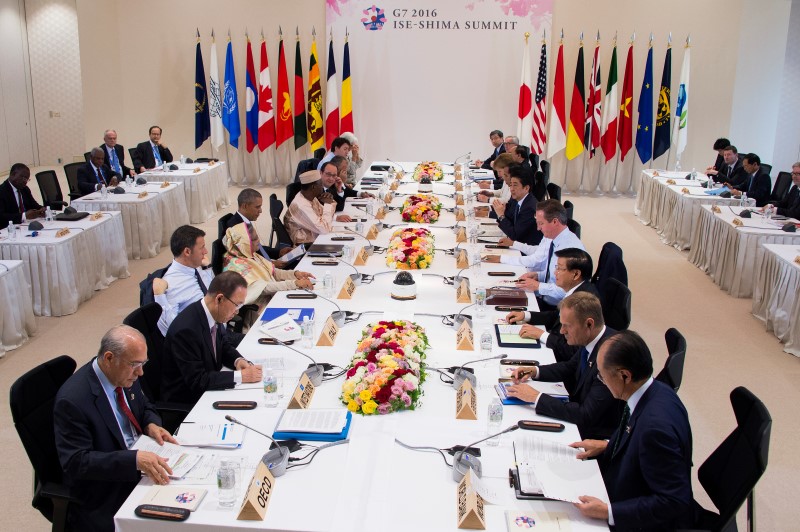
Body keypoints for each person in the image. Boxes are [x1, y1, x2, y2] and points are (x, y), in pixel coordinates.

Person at [53, 325, 177, 532]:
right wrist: (134, 460)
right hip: (108, 486)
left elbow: (145, 405)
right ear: (109, 358)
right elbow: (77, 462)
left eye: (144, 363)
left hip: (143, 460)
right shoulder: (73, 400)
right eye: (135, 365)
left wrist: (151, 424)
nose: (141, 372)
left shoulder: (125, 373)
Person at [570, 330, 694, 530]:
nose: (601, 380)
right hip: (623, 482)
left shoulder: (655, 430)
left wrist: (608, 512)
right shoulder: (658, 390)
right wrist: (608, 445)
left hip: (636, 517)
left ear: (624, 375)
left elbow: (674, 501)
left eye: (602, 375)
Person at [506, 292, 621, 439]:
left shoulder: (610, 356)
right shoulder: (590, 337)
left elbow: (586, 415)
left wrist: (536, 397)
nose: (561, 331)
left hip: (593, 433)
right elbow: (570, 367)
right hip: (578, 411)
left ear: (589, 324)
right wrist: (534, 371)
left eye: (567, 326)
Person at [161, 271, 263, 406]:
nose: (237, 312)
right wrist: (241, 376)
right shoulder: (186, 330)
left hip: (209, 388)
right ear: (219, 299)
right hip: (189, 402)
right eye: (236, 305)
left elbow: (223, 345)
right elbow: (198, 381)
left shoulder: (212, 313)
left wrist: (238, 361)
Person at [487, 199, 584, 308]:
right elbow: (549, 270)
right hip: (542, 295)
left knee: (494, 303)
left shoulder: (570, 249)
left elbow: (566, 291)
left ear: (555, 222)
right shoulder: (553, 236)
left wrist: (538, 286)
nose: (538, 228)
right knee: (492, 290)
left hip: (555, 307)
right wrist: (538, 275)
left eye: (541, 223)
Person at [506, 248, 600, 355]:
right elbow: (557, 316)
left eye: (560, 268)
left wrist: (541, 335)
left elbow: (572, 351)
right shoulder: (576, 290)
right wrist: (526, 315)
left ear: (576, 274)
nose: (555, 273)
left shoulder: (583, 302)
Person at [222, 222, 315, 304]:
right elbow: (263, 289)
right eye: (254, 240)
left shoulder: (249, 255)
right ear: (244, 244)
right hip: (262, 307)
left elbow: (272, 272)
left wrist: (295, 274)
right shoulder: (235, 266)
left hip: (276, 295)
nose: (258, 242)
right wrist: (295, 283)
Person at [153, 225, 215, 336]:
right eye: (202, 247)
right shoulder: (171, 284)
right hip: (202, 340)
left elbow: (213, 292)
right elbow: (171, 329)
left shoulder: (197, 266)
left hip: (217, 330)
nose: (205, 251)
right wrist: (159, 296)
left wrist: (208, 269)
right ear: (187, 251)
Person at [226, 188, 294, 264]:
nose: (261, 211)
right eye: (257, 207)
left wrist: (279, 252)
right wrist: (271, 265)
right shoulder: (236, 228)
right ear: (245, 206)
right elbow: (245, 261)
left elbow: (257, 248)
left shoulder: (244, 220)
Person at [284, 167, 337, 244]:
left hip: (316, 237)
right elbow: (324, 229)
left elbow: (325, 216)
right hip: (307, 245)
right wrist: (328, 204)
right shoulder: (301, 205)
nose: (322, 187)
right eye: (321, 185)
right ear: (313, 187)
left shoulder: (310, 197)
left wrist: (330, 203)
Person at [492, 167, 542, 246]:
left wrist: (501, 215)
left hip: (526, 250)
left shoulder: (529, 208)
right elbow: (508, 219)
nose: (511, 189)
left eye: (515, 185)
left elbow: (514, 235)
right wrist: (501, 214)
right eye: (510, 185)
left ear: (526, 188)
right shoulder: (516, 199)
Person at [0, 163, 44, 228]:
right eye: (23, 178)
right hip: (8, 229)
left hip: (25, 225)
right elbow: (1, 216)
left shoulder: (24, 189)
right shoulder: (2, 191)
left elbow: (34, 205)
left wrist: (42, 209)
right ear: (13, 174)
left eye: (27, 179)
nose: (25, 181)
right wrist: (23, 216)